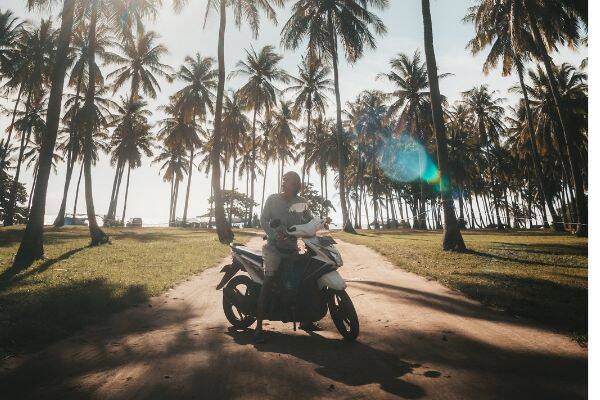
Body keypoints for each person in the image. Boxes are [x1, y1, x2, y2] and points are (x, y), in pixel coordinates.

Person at [254, 171, 320, 343]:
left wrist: (319, 223)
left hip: (292, 248)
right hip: (273, 248)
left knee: (305, 277)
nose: (283, 182)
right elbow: (263, 219)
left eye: (287, 180)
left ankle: (305, 319)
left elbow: (309, 220)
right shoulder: (272, 199)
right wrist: (274, 235)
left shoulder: (301, 202)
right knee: (269, 280)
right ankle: (258, 327)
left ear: (296, 184)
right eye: (283, 179)